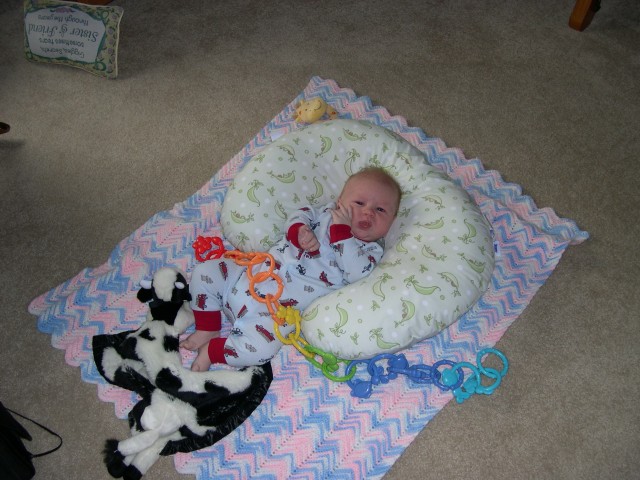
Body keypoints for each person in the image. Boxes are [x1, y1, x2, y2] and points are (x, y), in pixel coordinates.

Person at [182, 166, 402, 370]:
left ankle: (213, 351)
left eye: (380, 209)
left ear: (392, 221)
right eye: (359, 203)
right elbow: (298, 215)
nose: (368, 213)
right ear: (339, 203)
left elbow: (358, 273)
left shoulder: (370, 251)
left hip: (275, 314)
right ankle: (207, 325)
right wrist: (299, 232)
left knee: (259, 351)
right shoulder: (323, 213)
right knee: (205, 272)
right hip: (249, 276)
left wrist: (342, 233)